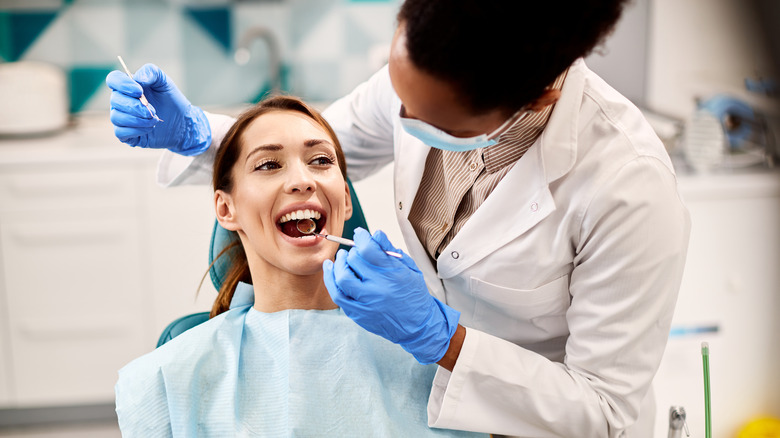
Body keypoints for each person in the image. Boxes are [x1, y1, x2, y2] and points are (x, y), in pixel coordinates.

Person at [107, 1, 691, 436]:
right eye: (397, 91)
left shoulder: (625, 186)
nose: (400, 113)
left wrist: (444, 341)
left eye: (427, 114)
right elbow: (316, 140)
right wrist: (197, 137)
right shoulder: (172, 381)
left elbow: (604, 409)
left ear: (533, 97)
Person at [113, 95, 487, 438]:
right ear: (226, 209)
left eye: (321, 161)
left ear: (344, 197)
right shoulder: (165, 381)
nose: (302, 180)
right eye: (269, 164)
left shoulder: (440, 360)